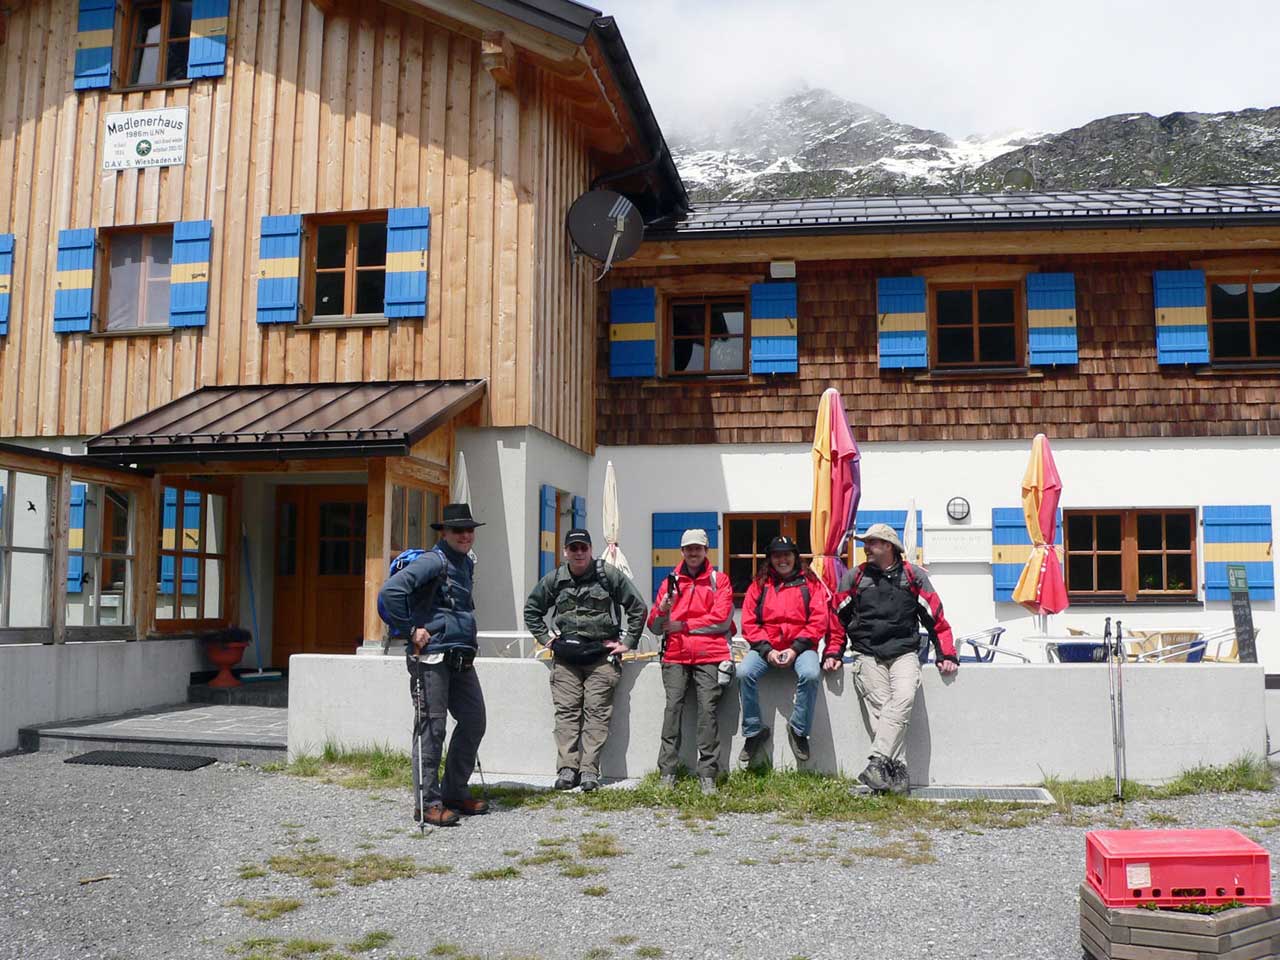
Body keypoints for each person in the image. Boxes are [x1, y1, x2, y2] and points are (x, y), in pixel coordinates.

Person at [378, 502, 488, 827]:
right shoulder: (433, 561)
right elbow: (391, 592)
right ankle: (427, 804)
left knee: (474, 720)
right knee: (432, 728)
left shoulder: (465, 563)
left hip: (460, 655)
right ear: (445, 533)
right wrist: (411, 630)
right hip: (431, 657)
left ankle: (454, 791)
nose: (465, 535)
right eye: (458, 530)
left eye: (469, 530)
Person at [829, 522, 958, 796]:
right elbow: (837, 619)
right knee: (883, 711)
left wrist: (946, 653)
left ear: (888, 546)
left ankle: (877, 762)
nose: (865, 548)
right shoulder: (854, 577)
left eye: (871, 543)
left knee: (903, 699)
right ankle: (898, 770)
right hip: (866, 653)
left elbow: (935, 617)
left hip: (904, 653)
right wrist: (833, 652)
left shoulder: (914, 576)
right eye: (865, 543)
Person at [523, 527, 648, 792]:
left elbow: (637, 607)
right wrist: (546, 639)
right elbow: (532, 609)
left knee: (596, 713)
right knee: (566, 713)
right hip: (567, 657)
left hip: (601, 656)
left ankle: (589, 770)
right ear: (565, 551)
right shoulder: (555, 579)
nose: (579, 553)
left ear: (591, 550)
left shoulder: (608, 575)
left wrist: (628, 642)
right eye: (574, 548)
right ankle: (567, 769)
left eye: (584, 548)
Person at [647, 528, 735, 795]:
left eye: (698, 548)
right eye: (689, 548)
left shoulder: (719, 580)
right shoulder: (670, 581)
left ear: (706, 551)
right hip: (675, 654)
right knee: (672, 710)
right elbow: (654, 626)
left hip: (710, 655)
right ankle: (667, 772)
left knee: (707, 712)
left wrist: (684, 625)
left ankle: (707, 774)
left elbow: (722, 620)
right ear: (682, 551)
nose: (693, 553)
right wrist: (662, 610)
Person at [737, 536, 837, 766]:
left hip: (802, 647)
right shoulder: (759, 585)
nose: (782, 560)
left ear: (795, 557)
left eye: (787, 555)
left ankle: (798, 730)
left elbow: (819, 621)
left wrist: (795, 649)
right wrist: (767, 650)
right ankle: (753, 731)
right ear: (770, 559)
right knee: (743, 673)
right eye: (777, 555)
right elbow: (749, 623)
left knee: (810, 674)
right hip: (766, 647)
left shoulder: (810, 584)